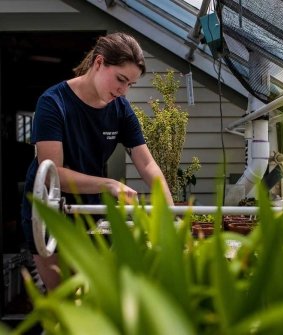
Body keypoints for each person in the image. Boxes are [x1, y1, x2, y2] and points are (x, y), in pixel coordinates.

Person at [20, 32, 174, 291]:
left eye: (130, 85)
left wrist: (171, 215)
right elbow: (52, 174)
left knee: (94, 296)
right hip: (48, 212)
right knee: (63, 301)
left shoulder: (121, 109)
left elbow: (147, 164)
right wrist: (111, 185)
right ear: (99, 63)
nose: (123, 90)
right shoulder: (53, 103)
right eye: (120, 79)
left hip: (91, 212)